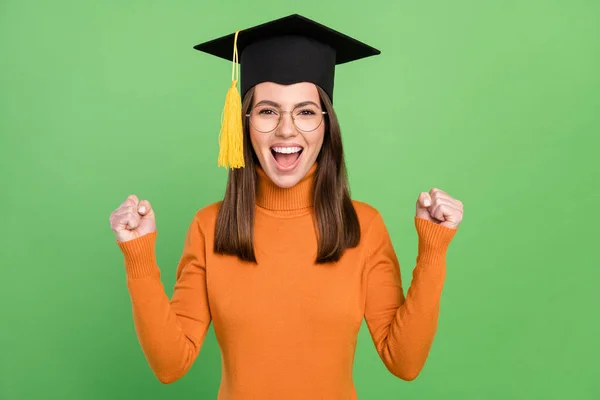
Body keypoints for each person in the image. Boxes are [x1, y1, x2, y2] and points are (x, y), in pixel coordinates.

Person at [109, 14, 464, 399]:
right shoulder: (210, 226)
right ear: (242, 122)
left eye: (306, 111)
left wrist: (433, 249)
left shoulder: (362, 225)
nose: (286, 129)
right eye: (267, 110)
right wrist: (138, 258)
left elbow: (405, 362)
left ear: (327, 124)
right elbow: (169, 365)